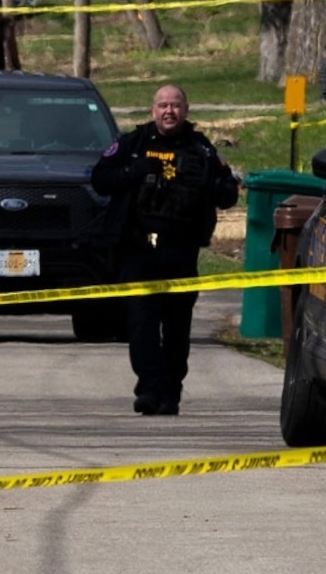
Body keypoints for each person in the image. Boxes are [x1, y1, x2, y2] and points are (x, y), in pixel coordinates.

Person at [90, 83, 238, 417]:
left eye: (175, 105)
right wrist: (133, 172)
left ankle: (170, 391)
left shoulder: (201, 149)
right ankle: (149, 388)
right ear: (153, 111)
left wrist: (208, 183)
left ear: (186, 110)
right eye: (162, 105)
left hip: (180, 250)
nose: (168, 111)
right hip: (138, 249)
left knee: (176, 325)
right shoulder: (133, 145)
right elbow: (100, 178)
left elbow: (228, 194)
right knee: (141, 322)